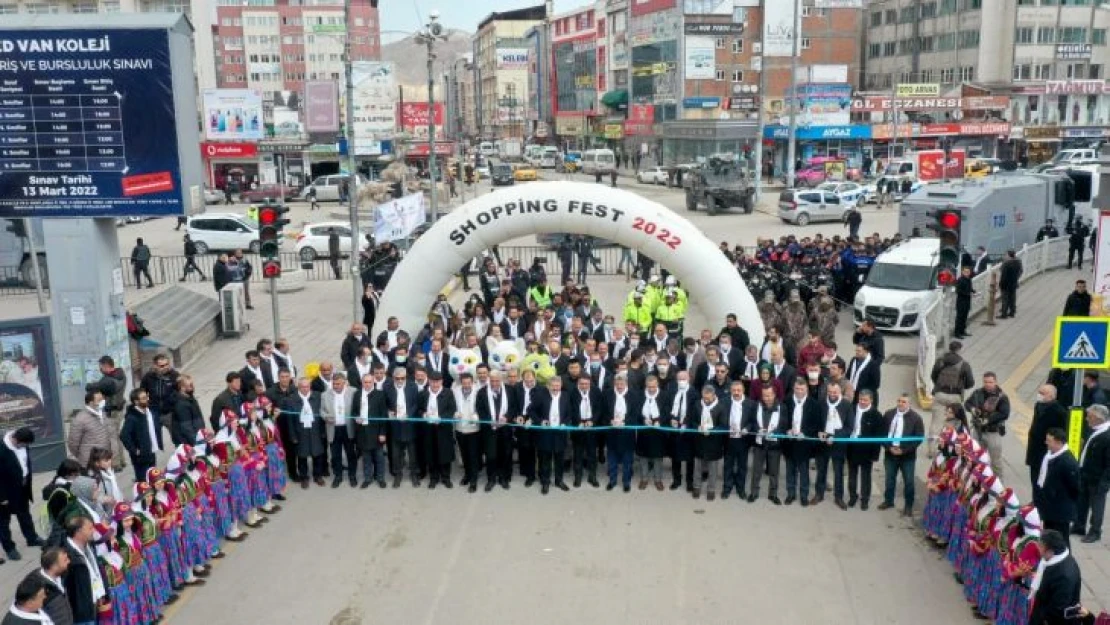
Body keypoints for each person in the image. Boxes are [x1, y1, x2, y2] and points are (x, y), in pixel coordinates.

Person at [0, 427, 44, 561]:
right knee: (3, 521)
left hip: (22, 487)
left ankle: (32, 538)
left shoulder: (23, 444)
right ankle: (9, 548)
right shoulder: (2, 449)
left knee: (25, 514)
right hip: (6, 491)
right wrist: (1, 497)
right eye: (24, 445)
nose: (26, 447)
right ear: (15, 440)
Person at [879, 394, 925, 516]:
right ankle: (888, 501)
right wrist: (889, 447)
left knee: (909, 481)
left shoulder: (916, 418)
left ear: (909, 404)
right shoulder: (889, 414)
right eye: (899, 401)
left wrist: (904, 451)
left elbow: (918, 438)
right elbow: (882, 433)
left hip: (907, 456)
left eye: (904, 402)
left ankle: (908, 506)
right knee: (889, 479)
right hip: (890, 453)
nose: (900, 403)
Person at [1035, 428, 1081, 546]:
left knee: (1062, 541)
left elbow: (1075, 488)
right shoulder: (1050, 456)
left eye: (1049, 440)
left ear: (1059, 442)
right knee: (1049, 538)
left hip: (1060, 511)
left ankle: (1066, 562)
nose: (1046, 442)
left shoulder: (1067, 462)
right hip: (1050, 508)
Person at [1028, 530, 1083, 625]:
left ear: (1050, 551)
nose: (1037, 547)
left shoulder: (1064, 576)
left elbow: (1057, 609)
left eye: (1040, 546)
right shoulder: (1054, 560)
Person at [929, 341, 975, 453]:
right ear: (959, 349)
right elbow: (970, 382)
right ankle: (950, 447)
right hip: (955, 396)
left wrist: (939, 386)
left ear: (949, 349)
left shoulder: (940, 361)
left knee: (936, 423)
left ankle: (932, 450)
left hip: (940, 394)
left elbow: (933, 376)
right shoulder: (964, 364)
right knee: (954, 423)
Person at [1073, 403, 1110, 544]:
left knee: (1097, 506)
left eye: (1089, 417)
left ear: (1098, 418)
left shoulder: (1106, 436)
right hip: (1085, 474)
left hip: (1098, 479)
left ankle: (1095, 531)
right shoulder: (1094, 430)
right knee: (1081, 502)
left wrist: (1105, 482)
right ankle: (1079, 526)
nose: (1087, 419)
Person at [782, 377, 822, 506]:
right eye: (797, 388)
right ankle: (791, 494)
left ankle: (804, 495)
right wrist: (786, 430)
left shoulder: (814, 404)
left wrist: (805, 433)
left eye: (802, 389)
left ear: (806, 390)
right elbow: (782, 419)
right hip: (790, 442)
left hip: (804, 444)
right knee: (790, 470)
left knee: (804, 471)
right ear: (793, 389)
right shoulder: (787, 402)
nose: (799, 391)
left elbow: (816, 424)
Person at [965, 372, 1011, 481]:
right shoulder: (977, 393)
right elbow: (967, 403)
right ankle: (976, 480)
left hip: (993, 433)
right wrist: (972, 409)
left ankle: (998, 484)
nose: (988, 384)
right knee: (975, 457)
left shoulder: (1002, 397)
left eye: (990, 382)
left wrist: (988, 420)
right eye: (985, 382)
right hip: (978, 431)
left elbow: (1005, 413)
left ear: (995, 382)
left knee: (996, 461)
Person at [83, 356, 126, 470]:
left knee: (111, 438)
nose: (100, 369)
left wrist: (89, 385)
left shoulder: (109, 380)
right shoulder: (120, 374)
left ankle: (116, 464)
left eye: (101, 367)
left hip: (111, 412)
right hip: (119, 409)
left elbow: (92, 387)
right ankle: (122, 460)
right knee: (117, 436)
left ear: (106, 366)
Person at [530, 376, 571, 495]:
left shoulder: (565, 396)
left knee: (559, 459)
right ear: (548, 386)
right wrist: (540, 421)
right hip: (545, 433)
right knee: (545, 460)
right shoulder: (541, 396)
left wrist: (565, 423)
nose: (555, 388)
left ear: (561, 385)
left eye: (557, 386)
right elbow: (531, 411)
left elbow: (569, 413)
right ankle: (545, 482)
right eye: (553, 386)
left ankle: (559, 481)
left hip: (560, 433)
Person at [60, 516, 104, 625]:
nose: (93, 531)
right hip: (81, 613)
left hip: (94, 602)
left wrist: (101, 594)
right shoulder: (68, 557)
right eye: (89, 528)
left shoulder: (88, 545)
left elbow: (96, 570)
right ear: (78, 532)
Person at [283, 377, 326, 489]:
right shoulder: (291, 399)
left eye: (307, 386)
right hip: (300, 431)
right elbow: (290, 420)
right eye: (302, 386)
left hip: (315, 429)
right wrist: (293, 436)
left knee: (317, 454)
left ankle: (318, 475)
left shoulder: (317, 396)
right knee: (302, 456)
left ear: (310, 386)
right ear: (298, 387)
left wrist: (323, 431)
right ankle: (304, 477)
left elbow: (322, 415)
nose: (305, 389)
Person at [847, 390, 884, 510]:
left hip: (867, 451)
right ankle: (853, 496)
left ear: (871, 400)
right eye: (860, 399)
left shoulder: (876, 415)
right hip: (852, 447)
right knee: (852, 474)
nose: (862, 402)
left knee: (866, 476)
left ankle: (865, 499)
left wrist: (875, 455)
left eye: (865, 400)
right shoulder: (851, 409)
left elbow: (878, 437)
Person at [1027, 385, 1069, 488]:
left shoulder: (1059, 412)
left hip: (1047, 449)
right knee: (1034, 479)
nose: (1039, 395)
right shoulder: (1038, 405)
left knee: (1044, 481)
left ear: (1051, 396)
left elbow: (1061, 433)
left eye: (1042, 393)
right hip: (1034, 449)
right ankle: (1035, 500)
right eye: (1039, 392)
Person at [119, 388, 164, 482]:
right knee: (143, 482)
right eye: (143, 398)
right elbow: (124, 435)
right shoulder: (132, 417)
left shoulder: (149, 411)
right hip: (140, 456)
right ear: (136, 401)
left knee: (153, 479)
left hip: (151, 451)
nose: (147, 399)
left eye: (147, 397)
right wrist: (135, 450)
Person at [321, 375, 357, 489]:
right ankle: (338, 476)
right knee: (335, 455)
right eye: (334, 384)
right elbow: (321, 411)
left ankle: (352, 476)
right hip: (333, 428)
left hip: (348, 428)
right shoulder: (325, 395)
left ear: (345, 383)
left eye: (338, 384)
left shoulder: (353, 392)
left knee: (351, 454)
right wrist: (326, 417)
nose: (335, 386)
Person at [65, 391, 112, 469]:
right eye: (99, 400)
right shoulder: (80, 419)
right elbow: (73, 444)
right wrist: (82, 456)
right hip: (89, 461)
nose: (103, 402)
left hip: (104, 459)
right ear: (90, 403)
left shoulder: (102, 414)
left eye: (102, 399)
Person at [37, 547, 72, 625]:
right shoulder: (41, 590)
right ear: (54, 566)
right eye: (65, 560)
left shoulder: (61, 576)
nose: (69, 561)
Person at [998, 249, 1022, 318]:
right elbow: (1020, 272)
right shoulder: (1018, 262)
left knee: (1005, 299)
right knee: (1012, 298)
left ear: (1008, 255)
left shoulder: (1006, 263)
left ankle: (1004, 314)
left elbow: (1003, 275)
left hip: (1006, 284)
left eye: (1006, 254)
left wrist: (1001, 284)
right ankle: (1012, 312)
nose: (1005, 256)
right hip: (1014, 283)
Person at [954, 266, 974, 338]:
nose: (967, 273)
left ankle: (963, 330)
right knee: (959, 317)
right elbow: (958, 291)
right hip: (961, 302)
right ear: (962, 272)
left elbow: (970, 288)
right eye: (965, 272)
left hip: (967, 301)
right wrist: (968, 294)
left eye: (968, 272)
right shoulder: (960, 280)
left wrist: (974, 291)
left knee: (965, 317)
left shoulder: (969, 280)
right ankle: (957, 333)